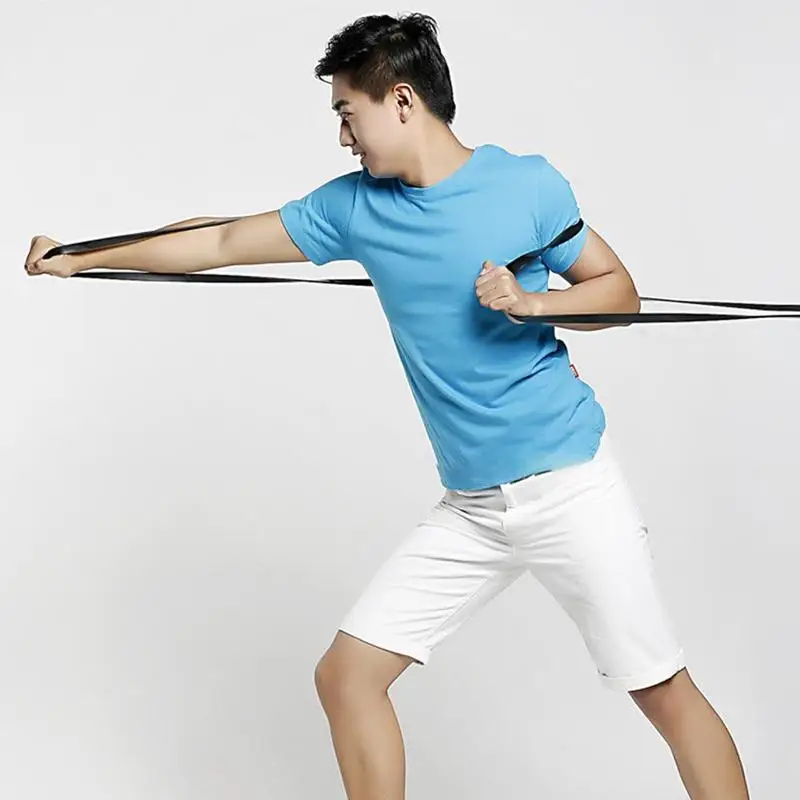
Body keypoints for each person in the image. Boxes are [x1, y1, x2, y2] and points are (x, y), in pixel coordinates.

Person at [24, 12, 751, 800]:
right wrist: (79, 257)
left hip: (572, 489)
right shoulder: (356, 209)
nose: (343, 136)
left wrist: (531, 303)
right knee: (347, 677)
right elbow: (223, 240)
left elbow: (620, 294)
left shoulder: (528, 185)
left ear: (401, 100)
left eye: (347, 112)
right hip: (474, 507)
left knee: (662, 691)